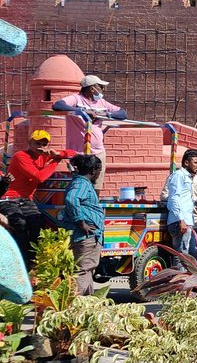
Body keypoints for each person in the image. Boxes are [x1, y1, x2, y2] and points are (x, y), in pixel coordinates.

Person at [0, 129, 73, 266]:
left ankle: (33, 261)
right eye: (37, 143)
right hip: (9, 198)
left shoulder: (44, 155)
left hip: (26, 199)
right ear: (29, 142)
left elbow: (72, 153)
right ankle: (20, 261)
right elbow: (39, 177)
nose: (40, 146)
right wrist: (55, 161)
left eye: (44, 144)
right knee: (19, 223)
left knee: (37, 223)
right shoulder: (20, 156)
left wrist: (58, 154)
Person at [52, 75, 127, 190]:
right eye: (101, 87)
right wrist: (83, 111)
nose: (103, 90)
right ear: (92, 89)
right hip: (79, 153)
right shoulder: (76, 99)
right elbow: (57, 105)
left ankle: (93, 206)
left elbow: (122, 114)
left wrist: (106, 114)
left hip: (98, 152)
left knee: (96, 183)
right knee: (79, 183)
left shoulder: (102, 103)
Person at [61, 154, 105, 295]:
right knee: (83, 270)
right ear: (93, 170)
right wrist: (81, 222)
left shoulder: (80, 183)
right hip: (85, 236)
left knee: (86, 271)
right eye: (99, 170)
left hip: (86, 236)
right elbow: (72, 199)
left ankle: (88, 307)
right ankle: (75, 308)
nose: (99, 174)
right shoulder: (81, 184)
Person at [164, 148, 197, 262]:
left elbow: (183, 197)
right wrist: (180, 219)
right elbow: (174, 199)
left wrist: (194, 203)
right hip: (180, 222)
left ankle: (188, 278)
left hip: (186, 221)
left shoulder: (187, 177)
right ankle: (180, 279)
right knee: (181, 255)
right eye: (195, 163)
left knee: (191, 254)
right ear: (186, 163)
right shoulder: (178, 175)